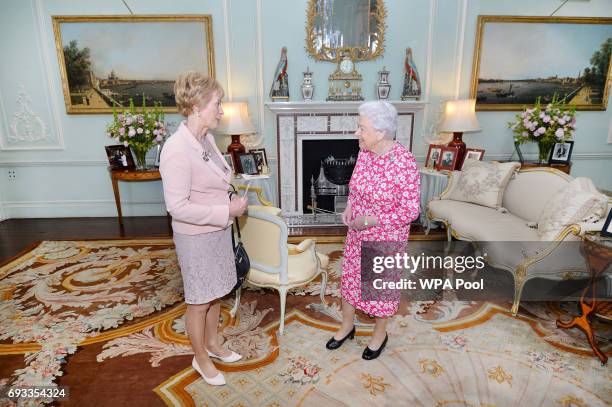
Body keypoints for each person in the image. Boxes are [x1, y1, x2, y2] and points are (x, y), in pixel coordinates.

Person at [160, 71, 248, 386]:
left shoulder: (207, 138)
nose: (222, 110)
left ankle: (213, 344)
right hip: (195, 238)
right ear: (197, 106)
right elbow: (178, 207)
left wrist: (231, 200)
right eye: (217, 103)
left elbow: (217, 178)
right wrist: (227, 209)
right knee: (198, 301)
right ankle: (200, 359)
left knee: (214, 295)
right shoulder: (175, 150)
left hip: (216, 231)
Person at [325, 101, 420, 360]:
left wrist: (374, 220)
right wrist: (349, 207)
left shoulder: (404, 162)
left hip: (385, 237)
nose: (357, 133)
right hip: (357, 233)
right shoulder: (365, 152)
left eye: (362, 128)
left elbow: (411, 210)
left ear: (381, 132)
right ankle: (347, 326)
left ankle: (380, 334)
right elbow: (356, 188)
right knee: (351, 279)